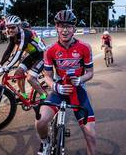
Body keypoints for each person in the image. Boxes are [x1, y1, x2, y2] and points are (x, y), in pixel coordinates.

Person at [35, 10, 96, 155]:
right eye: (61, 26)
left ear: (74, 29)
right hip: (59, 90)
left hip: (78, 90)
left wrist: (80, 79)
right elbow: (48, 76)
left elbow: (90, 73)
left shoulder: (85, 47)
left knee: (91, 136)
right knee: (40, 122)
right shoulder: (50, 50)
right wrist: (56, 86)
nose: (65, 30)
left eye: (69, 26)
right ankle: (45, 142)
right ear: (56, 28)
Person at [0, 15, 46, 100]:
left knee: (30, 78)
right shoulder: (13, 34)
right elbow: (9, 50)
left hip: (42, 55)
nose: (10, 30)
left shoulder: (24, 34)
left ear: (19, 26)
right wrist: (0, 65)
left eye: (13, 27)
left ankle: (45, 96)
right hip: (32, 55)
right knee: (18, 72)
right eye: (8, 27)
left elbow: (19, 53)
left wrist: (7, 67)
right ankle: (23, 96)